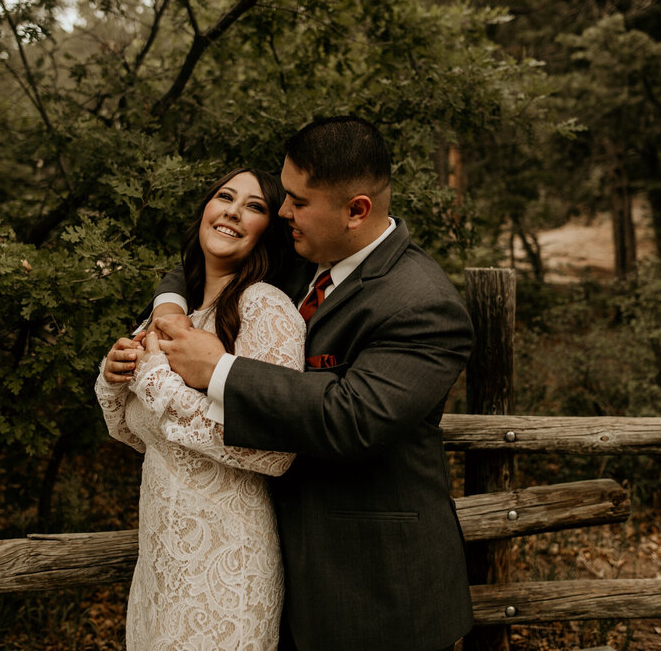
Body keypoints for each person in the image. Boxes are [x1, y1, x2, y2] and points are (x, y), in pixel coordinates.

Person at [104, 117, 474, 651]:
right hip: (276, 569)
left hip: (377, 588)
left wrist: (220, 370)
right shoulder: (303, 260)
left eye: (297, 202)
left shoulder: (422, 302)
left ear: (356, 210)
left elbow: (353, 417)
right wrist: (169, 306)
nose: (282, 213)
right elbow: (199, 266)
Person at [94, 168, 306, 650]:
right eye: (225, 196)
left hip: (225, 563)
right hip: (160, 560)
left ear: (267, 229)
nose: (233, 209)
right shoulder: (173, 314)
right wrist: (115, 378)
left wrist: (155, 381)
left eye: (254, 205)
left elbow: (273, 452)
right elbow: (135, 433)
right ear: (204, 210)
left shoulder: (265, 308)